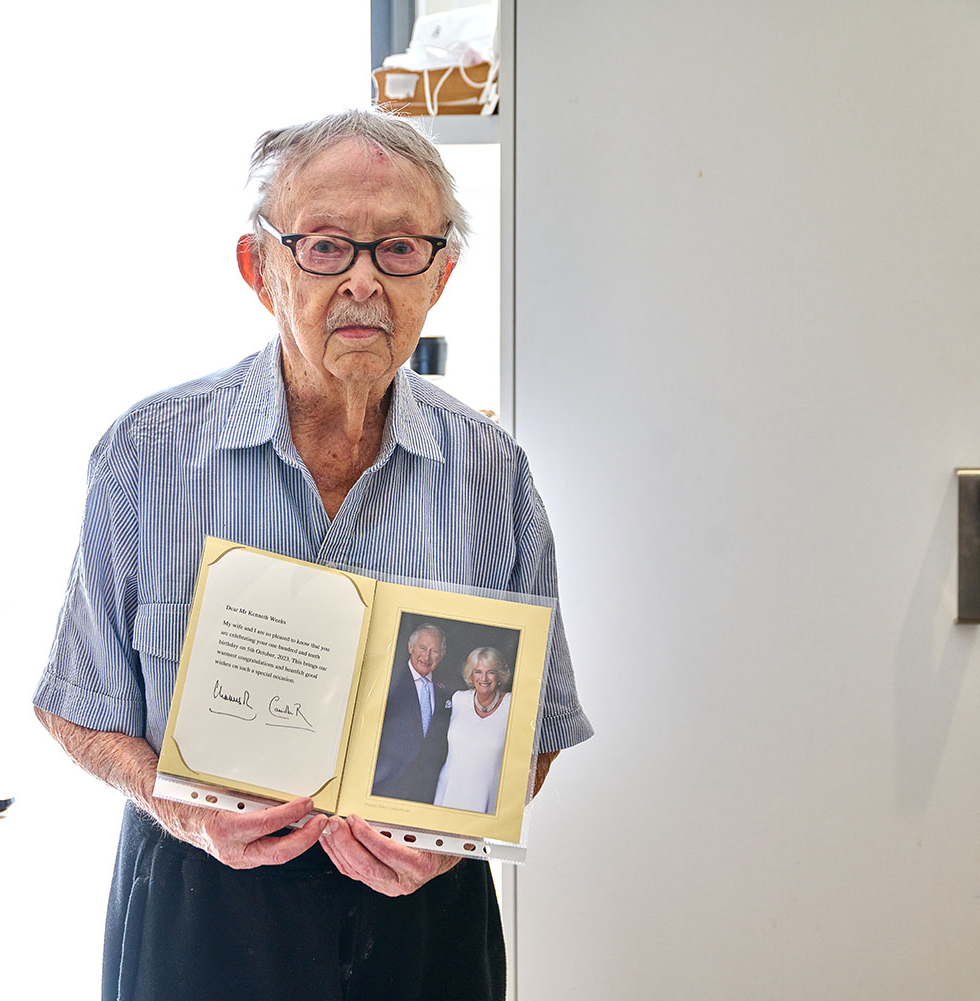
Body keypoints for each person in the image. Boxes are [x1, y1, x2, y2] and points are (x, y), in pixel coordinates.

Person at [32, 108, 593, 1001]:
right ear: (261, 269)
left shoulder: (494, 474)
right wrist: (179, 808)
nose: (364, 280)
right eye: (326, 246)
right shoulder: (148, 454)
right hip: (198, 905)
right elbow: (76, 704)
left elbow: (537, 732)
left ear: (441, 274)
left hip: (424, 923)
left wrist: (448, 842)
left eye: (399, 248)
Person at [371, 622, 452, 803]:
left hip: (427, 788)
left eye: (434, 651)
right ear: (410, 647)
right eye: (422, 648)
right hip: (387, 784)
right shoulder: (389, 681)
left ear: (442, 655)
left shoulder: (446, 691)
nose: (426, 656)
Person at [434, 647, 513, 814]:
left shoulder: (511, 705)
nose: (484, 678)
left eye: (490, 672)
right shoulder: (458, 699)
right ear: (471, 674)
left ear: (499, 675)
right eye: (478, 672)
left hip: (489, 797)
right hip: (449, 792)